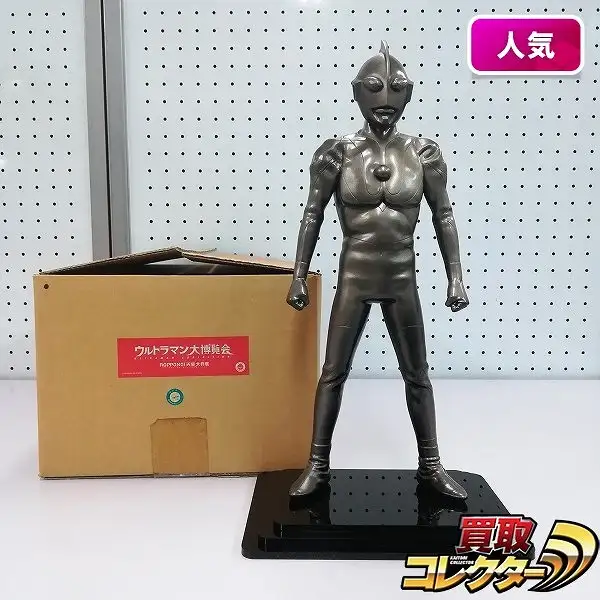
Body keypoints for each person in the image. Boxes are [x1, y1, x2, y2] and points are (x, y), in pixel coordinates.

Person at [287, 41, 469, 500]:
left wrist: (455, 275)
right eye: (374, 89)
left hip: (402, 278)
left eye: (396, 90)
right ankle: (317, 465)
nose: (385, 101)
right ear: (357, 94)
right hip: (355, 276)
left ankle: (431, 465)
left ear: (407, 95)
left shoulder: (424, 153)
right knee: (333, 371)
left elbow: (443, 215)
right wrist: (298, 275)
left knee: (417, 374)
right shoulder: (337, 153)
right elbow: (313, 214)